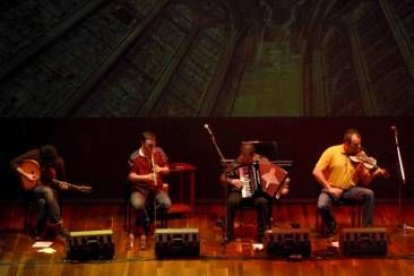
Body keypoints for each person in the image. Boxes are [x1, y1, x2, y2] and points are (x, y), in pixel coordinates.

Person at [313, 128, 388, 237]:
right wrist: (329, 188)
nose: (359, 148)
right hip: (331, 190)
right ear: (346, 143)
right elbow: (316, 171)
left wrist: (375, 174)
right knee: (322, 206)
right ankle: (332, 226)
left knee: (369, 194)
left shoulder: (360, 157)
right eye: (355, 145)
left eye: (359, 145)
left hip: (349, 191)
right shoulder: (331, 151)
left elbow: (366, 181)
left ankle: (367, 230)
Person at [10, 145, 69, 240]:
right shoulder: (35, 154)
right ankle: (59, 225)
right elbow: (12, 163)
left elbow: (62, 182)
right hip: (34, 188)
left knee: (44, 200)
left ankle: (39, 231)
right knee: (47, 192)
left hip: (50, 191)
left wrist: (63, 186)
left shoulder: (58, 162)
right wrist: (26, 175)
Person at [220, 141, 273, 243]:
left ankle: (261, 236)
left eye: (247, 159)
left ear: (253, 155)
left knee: (263, 202)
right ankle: (228, 235)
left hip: (258, 194)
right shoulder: (238, 161)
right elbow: (222, 177)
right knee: (231, 201)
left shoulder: (263, 161)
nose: (244, 160)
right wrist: (232, 181)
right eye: (242, 157)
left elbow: (272, 178)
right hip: (240, 192)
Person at [128, 131, 171, 249]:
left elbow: (167, 169)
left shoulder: (159, 152)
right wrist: (145, 177)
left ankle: (144, 222)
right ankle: (147, 223)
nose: (152, 148)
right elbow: (131, 176)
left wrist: (160, 169)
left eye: (154, 145)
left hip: (156, 188)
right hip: (140, 189)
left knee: (166, 204)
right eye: (149, 146)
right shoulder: (135, 156)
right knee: (137, 204)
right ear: (142, 143)